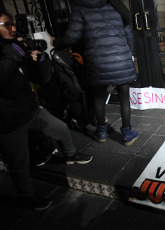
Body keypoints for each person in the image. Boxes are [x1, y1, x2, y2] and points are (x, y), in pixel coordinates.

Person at [0, 11, 93, 211]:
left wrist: (39, 58)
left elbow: (40, 78)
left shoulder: (14, 48)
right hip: (8, 121)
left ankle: (70, 155)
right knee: (19, 162)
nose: (13, 28)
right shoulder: (8, 53)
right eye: (7, 25)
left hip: (29, 110)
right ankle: (28, 197)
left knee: (60, 128)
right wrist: (14, 55)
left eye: (13, 24)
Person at [50, 0, 138, 146]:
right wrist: (126, 53)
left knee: (98, 97)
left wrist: (55, 42)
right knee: (124, 98)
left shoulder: (79, 7)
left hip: (98, 61)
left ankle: (101, 132)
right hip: (122, 58)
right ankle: (127, 134)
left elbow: (72, 37)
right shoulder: (116, 5)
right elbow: (128, 34)